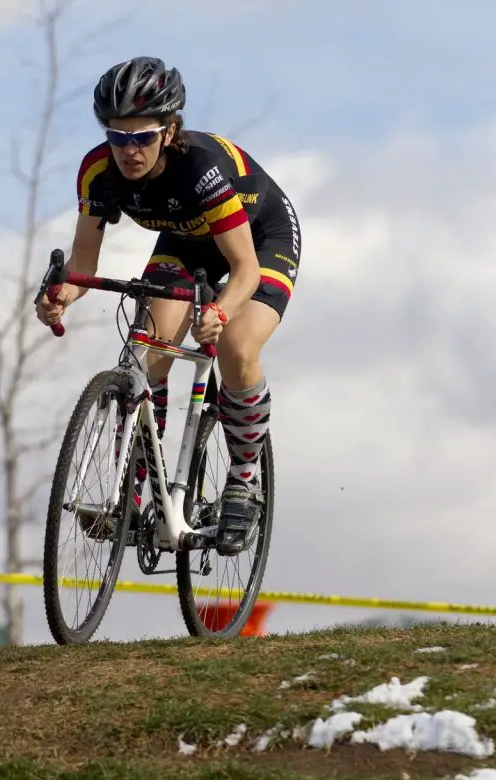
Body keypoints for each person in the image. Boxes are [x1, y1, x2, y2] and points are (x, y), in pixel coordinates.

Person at [35, 56, 302, 557]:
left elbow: (243, 270)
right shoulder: (97, 171)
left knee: (237, 347)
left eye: (142, 137)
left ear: (169, 130)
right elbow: (83, 266)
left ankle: (244, 481)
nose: (129, 150)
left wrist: (219, 312)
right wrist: (58, 296)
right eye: (118, 137)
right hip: (185, 243)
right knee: (147, 354)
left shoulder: (199, 169)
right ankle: (135, 492)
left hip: (258, 237)